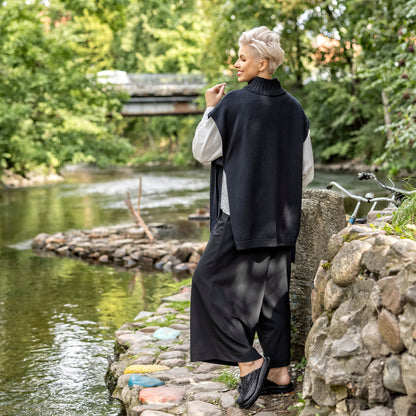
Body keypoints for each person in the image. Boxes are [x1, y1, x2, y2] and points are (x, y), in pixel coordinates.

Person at [190, 26, 314, 409]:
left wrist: (210, 108)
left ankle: (250, 361)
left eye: (242, 58)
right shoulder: (295, 108)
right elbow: (305, 172)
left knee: (206, 284)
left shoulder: (232, 104)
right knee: (272, 299)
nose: (235, 63)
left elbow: (203, 152)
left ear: (263, 63)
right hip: (282, 219)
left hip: (239, 217)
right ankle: (279, 374)